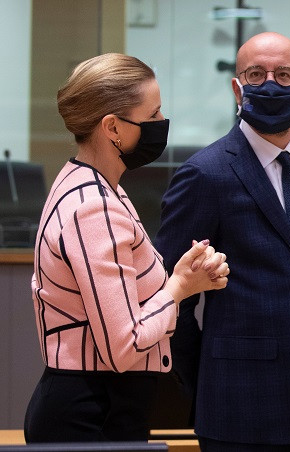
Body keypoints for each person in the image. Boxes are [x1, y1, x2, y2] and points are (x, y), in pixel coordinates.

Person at [155, 32, 290, 451]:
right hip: (243, 412)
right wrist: (210, 381)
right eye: (256, 74)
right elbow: (168, 297)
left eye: (284, 74)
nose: (270, 84)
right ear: (237, 88)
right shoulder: (205, 173)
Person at [24, 53, 229, 442]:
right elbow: (123, 345)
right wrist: (180, 287)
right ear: (113, 128)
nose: (161, 125)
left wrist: (186, 274)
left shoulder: (98, 187)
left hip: (102, 406)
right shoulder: (94, 206)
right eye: (152, 116)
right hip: (90, 415)